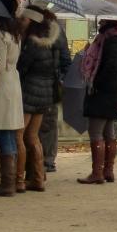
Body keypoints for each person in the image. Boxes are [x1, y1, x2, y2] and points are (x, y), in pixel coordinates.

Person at [15, 5, 60, 193]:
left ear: (31, 22)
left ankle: (18, 179)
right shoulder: (50, 42)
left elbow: (22, 68)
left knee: (19, 135)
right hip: (45, 94)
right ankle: (39, 178)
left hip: (29, 93)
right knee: (33, 137)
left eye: (24, 20)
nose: (22, 23)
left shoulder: (32, 43)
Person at [77, 19, 117, 185]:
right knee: (108, 132)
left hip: (102, 91)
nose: (100, 24)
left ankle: (97, 172)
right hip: (113, 89)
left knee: (96, 132)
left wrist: (96, 83)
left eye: (103, 21)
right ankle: (108, 171)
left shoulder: (109, 40)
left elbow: (109, 66)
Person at [0, 0, 24, 197]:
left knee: (3, 133)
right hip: (13, 82)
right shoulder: (15, 33)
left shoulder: (2, 35)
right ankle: (10, 181)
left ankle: (7, 183)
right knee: (10, 134)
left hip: (3, 85)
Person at [40, 27, 71, 173]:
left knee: (41, 124)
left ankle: (43, 160)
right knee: (49, 123)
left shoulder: (33, 32)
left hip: (41, 84)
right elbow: (66, 61)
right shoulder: (58, 32)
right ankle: (48, 160)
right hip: (52, 84)